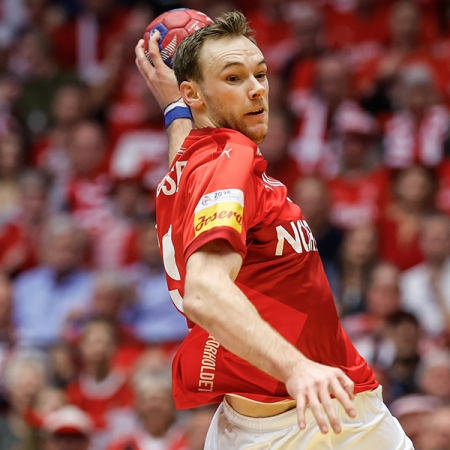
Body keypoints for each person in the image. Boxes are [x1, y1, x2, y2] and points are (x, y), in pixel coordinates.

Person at [134, 11, 413, 449]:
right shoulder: (230, 159)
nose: (256, 88)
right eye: (233, 78)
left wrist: (176, 109)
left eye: (260, 74)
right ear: (195, 92)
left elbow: (189, 157)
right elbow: (204, 291)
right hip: (317, 417)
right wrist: (297, 368)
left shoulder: (193, 162)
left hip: (249, 423)